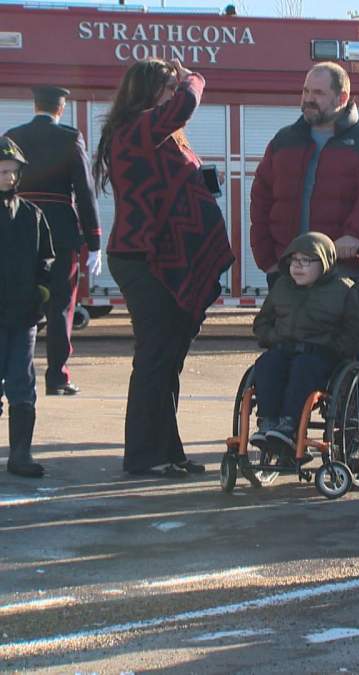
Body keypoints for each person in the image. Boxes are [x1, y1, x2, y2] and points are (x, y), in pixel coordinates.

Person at [94, 59, 234, 478]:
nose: (175, 92)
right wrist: (193, 77)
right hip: (146, 259)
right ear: (149, 91)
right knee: (155, 359)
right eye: (168, 87)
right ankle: (143, 456)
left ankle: (168, 451)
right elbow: (186, 104)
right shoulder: (136, 128)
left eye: (176, 86)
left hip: (163, 258)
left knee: (168, 359)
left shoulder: (157, 135)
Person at [248, 61, 359, 327]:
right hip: (288, 273)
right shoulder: (283, 141)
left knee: (339, 356)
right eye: (305, 91)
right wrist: (268, 260)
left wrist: (354, 235)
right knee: (286, 358)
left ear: (342, 98)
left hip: (345, 270)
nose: (308, 99)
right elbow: (261, 200)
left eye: (317, 93)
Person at [5, 86, 101, 396]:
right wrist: (95, 240)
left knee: (12, 299)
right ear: (61, 109)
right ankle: (57, 377)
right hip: (60, 229)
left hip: (17, 227)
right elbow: (85, 192)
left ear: (34, 105)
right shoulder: (71, 138)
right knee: (61, 305)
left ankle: (9, 372)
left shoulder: (12, 136)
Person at [250, 232, 359, 464]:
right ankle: (269, 422)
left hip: (321, 356)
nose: (298, 266)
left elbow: (355, 335)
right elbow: (262, 323)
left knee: (304, 368)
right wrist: (274, 338)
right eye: (294, 260)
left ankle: (290, 426)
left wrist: (331, 346)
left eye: (306, 261)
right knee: (266, 365)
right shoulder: (282, 287)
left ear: (324, 262)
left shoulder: (344, 290)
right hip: (284, 348)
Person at [0, 138, 55, 478]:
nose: (7, 177)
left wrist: (41, 294)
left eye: (12, 172)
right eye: (2, 171)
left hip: (23, 317)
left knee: (22, 383)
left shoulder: (32, 215)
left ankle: (21, 454)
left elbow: (46, 260)